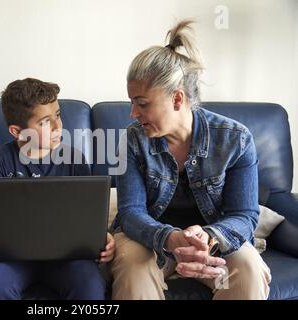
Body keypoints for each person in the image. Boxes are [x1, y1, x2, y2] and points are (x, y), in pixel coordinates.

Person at [110, 20, 271, 300]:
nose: (133, 113)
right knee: (134, 267)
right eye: (131, 103)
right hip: (149, 240)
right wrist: (171, 239)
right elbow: (131, 213)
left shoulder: (236, 140)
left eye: (142, 103)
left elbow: (244, 215)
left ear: (177, 98)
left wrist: (209, 237)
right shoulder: (132, 140)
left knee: (248, 270)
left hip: (215, 243)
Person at [0, 78, 115, 300]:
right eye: (45, 122)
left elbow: (87, 214)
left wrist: (101, 236)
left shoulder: (74, 159)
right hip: (14, 258)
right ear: (17, 131)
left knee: (90, 286)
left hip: (66, 258)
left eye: (58, 115)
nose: (59, 126)